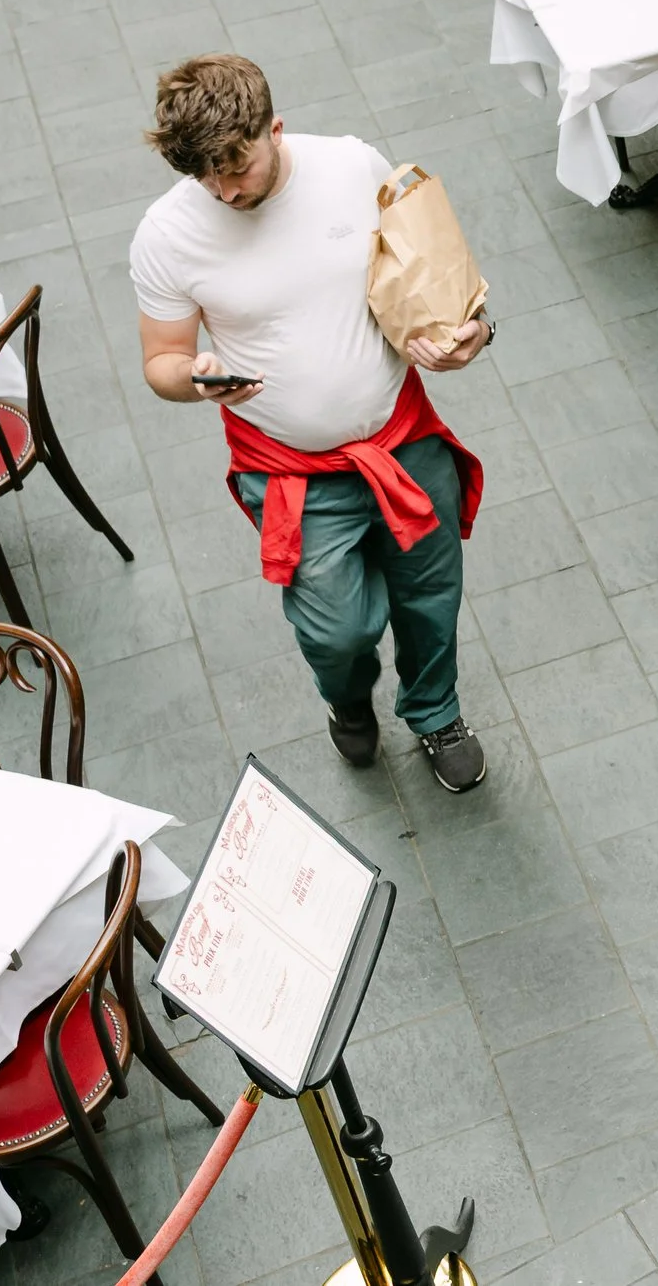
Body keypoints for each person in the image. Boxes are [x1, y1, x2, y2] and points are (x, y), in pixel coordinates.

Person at [130, 55, 492, 792]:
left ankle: (435, 710)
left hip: (400, 434)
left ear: (276, 128)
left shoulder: (352, 167)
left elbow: (435, 271)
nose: (228, 189)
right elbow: (160, 360)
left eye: (239, 165)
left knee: (430, 590)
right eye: (208, 177)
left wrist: (473, 330)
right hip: (291, 469)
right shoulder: (167, 236)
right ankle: (347, 694)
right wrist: (194, 377)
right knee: (337, 627)